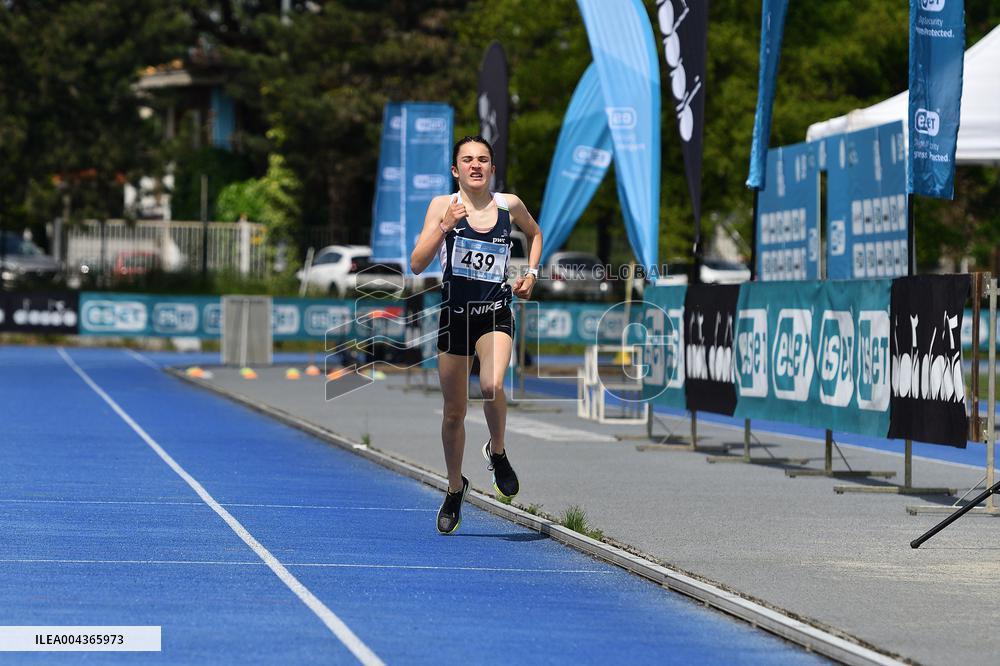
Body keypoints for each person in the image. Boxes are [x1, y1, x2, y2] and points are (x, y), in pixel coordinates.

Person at [410, 135, 542, 534]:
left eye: (483, 159)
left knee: (492, 384)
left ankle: (497, 451)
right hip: (454, 317)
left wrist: (531, 274)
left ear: (492, 169)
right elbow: (417, 263)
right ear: (456, 170)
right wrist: (445, 227)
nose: (475, 166)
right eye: (467, 160)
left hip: (495, 314)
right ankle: (455, 488)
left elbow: (535, 235)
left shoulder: (509, 205)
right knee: (454, 413)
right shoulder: (441, 206)